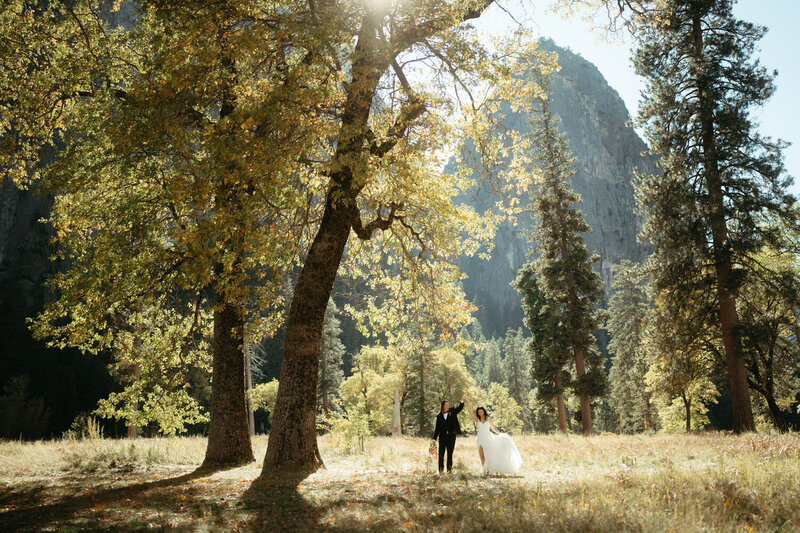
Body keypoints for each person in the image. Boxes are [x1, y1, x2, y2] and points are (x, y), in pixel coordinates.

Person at [465, 396, 522, 475]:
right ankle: (485, 470)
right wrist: (468, 402)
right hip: (480, 437)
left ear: (484, 412)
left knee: (489, 454)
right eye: (479, 412)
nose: (480, 413)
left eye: (481, 412)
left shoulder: (488, 418)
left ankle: (491, 469)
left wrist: (500, 434)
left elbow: (493, 428)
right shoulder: (477, 419)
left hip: (488, 437)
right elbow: (470, 412)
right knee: (481, 455)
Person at [432, 394, 467, 473]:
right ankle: (440, 471)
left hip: (451, 437)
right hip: (442, 437)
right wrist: (434, 438)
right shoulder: (439, 416)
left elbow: (460, 408)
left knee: (450, 454)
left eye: (449, 405)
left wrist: (462, 400)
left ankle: (449, 471)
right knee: (441, 454)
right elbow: (437, 428)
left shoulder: (452, 412)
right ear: (443, 406)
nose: (448, 406)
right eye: (446, 405)